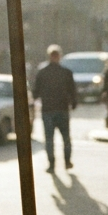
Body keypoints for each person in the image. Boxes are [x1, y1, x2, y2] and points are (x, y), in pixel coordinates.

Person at [33, 44, 77, 172]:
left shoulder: (43, 73)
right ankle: (67, 161)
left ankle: (52, 164)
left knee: (49, 139)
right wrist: (73, 102)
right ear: (59, 57)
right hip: (62, 108)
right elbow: (72, 90)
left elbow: (36, 92)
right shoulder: (66, 73)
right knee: (65, 138)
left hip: (48, 109)